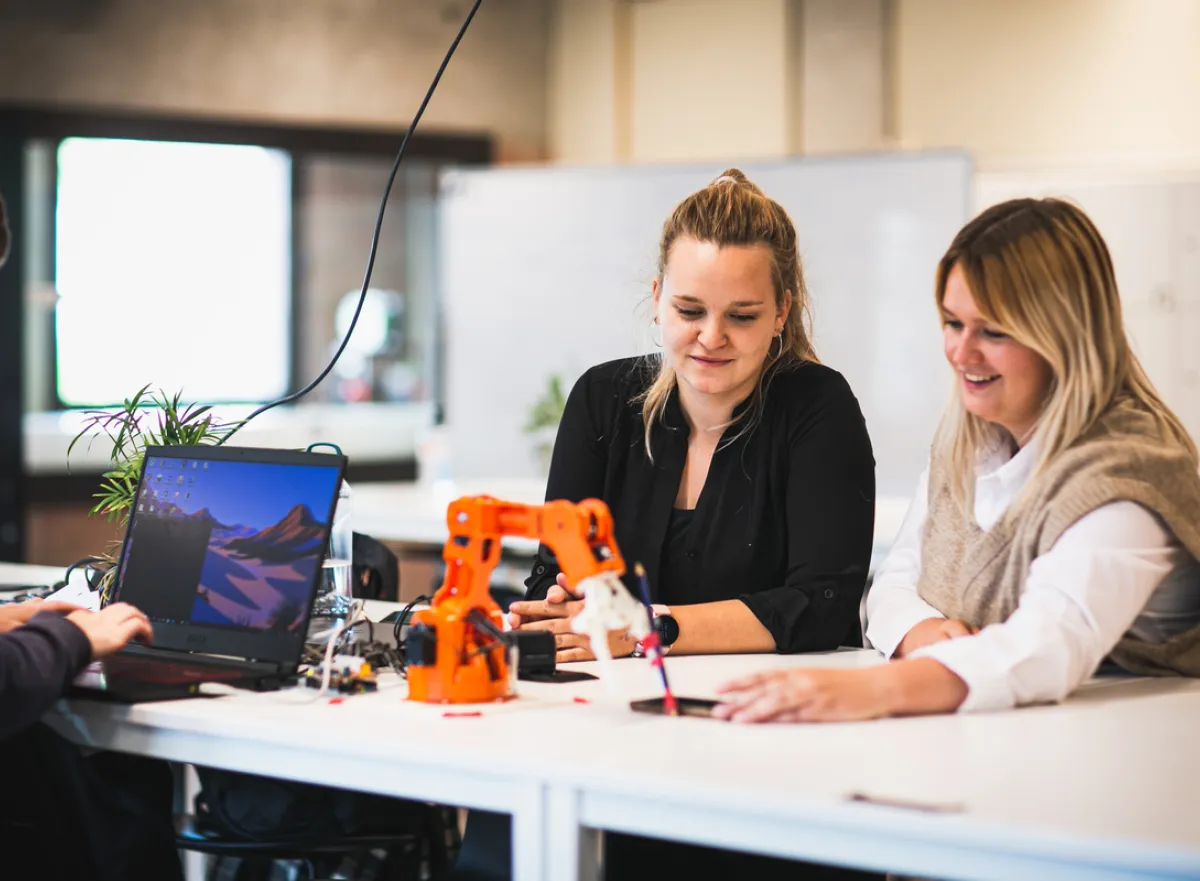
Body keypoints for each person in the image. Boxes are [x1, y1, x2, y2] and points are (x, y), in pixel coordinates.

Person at [454, 170, 878, 881]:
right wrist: (562, 605)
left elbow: (821, 606)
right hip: (616, 724)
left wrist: (648, 628)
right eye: (689, 309)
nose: (711, 337)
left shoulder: (817, 408)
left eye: (742, 315)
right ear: (656, 301)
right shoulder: (602, 400)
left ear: (782, 313)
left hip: (762, 750)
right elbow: (551, 567)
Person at [713, 197, 1200, 725]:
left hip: (1123, 757)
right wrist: (920, 631)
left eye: (993, 331)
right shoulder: (969, 440)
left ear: (1064, 334)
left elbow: (1046, 646)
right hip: (993, 742)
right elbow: (895, 584)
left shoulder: (1128, 472)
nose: (961, 353)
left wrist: (875, 688)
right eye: (952, 322)